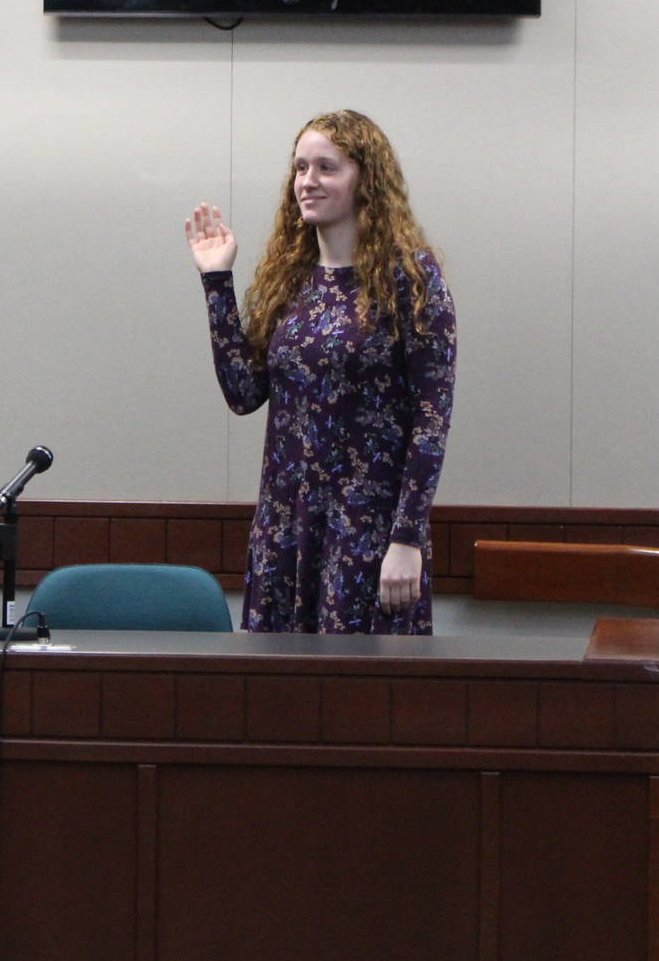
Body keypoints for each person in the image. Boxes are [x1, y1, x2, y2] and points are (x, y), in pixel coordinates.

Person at [185, 110, 457, 634]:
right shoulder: (291, 279)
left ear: (366, 180)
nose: (307, 182)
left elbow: (431, 421)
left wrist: (407, 539)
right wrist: (217, 281)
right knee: (281, 700)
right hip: (285, 527)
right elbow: (244, 393)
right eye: (300, 168)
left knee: (360, 699)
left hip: (369, 531)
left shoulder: (413, 279)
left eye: (326, 168)